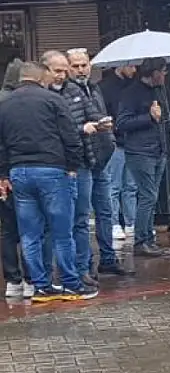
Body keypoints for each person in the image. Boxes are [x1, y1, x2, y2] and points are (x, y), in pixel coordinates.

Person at [0, 61, 97, 302]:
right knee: (61, 231)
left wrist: (4, 173)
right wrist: (73, 166)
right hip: (52, 170)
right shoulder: (52, 100)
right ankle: (71, 284)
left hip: (19, 172)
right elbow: (70, 136)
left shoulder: (4, 104)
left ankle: (41, 286)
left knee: (30, 234)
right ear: (39, 78)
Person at [63, 49, 131, 279]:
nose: (81, 70)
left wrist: (107, 135)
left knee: (105, 211)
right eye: (76, 66)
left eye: (84, 65)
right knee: (81, 216)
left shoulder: (94, 88)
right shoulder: (67, 91)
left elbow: (98, 115)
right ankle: (84, 266)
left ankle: (108, 258)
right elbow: (69, 127)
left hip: (100, 158)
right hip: (81, 161)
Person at [116, 58, 168, 257]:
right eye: (163, 71)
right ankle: (141, 240)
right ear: (153, 72)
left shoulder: (157, 91)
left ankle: (149, 238)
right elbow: (122, 122)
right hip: (140, 151)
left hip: (157, 150)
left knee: (152, 196)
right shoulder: (131, 93)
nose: (165, 75)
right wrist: (149, 117)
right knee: (147, 196)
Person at [0, 59, 32, 299]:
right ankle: (31, 277)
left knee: (8, 229)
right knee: (30, 226)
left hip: (5, 174)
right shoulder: (17, 102)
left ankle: (12, 279)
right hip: (19, 169)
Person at [99, 64, 137, 241]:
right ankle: (114, 223)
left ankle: (131, 223)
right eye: (131, 66)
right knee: (113, 185)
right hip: (115, 142)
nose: (134, 70)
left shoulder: (133, 85)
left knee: (131, 186)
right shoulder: (104, 87)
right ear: (121, 65)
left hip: (131, 141)